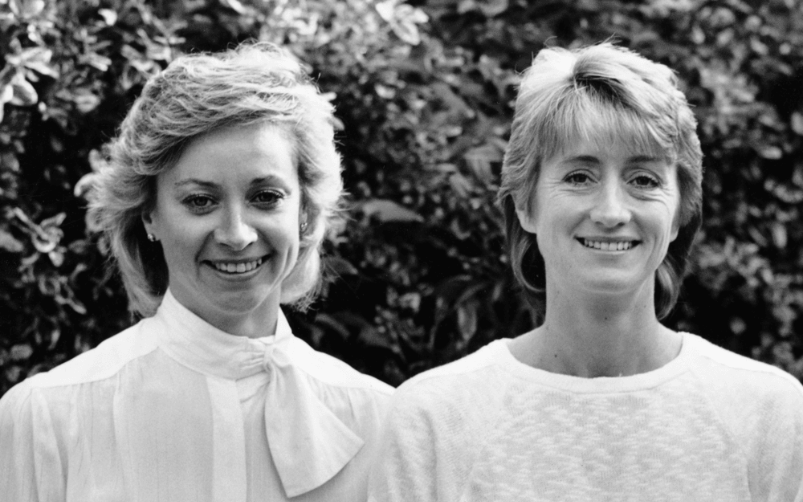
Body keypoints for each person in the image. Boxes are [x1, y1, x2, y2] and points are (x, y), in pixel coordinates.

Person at [367, 42, 803, 501]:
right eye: (579, 176)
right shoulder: (433, 421)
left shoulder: (770, 414)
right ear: (525, 205)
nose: (612, 211)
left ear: (679, 214)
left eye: (643, 180)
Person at [0, 42, 393, 502]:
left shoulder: (380, 421)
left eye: (265, 196)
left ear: (305, 210)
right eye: (200, 200)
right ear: (149, 213)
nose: (236, 234)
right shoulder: (46, 417)